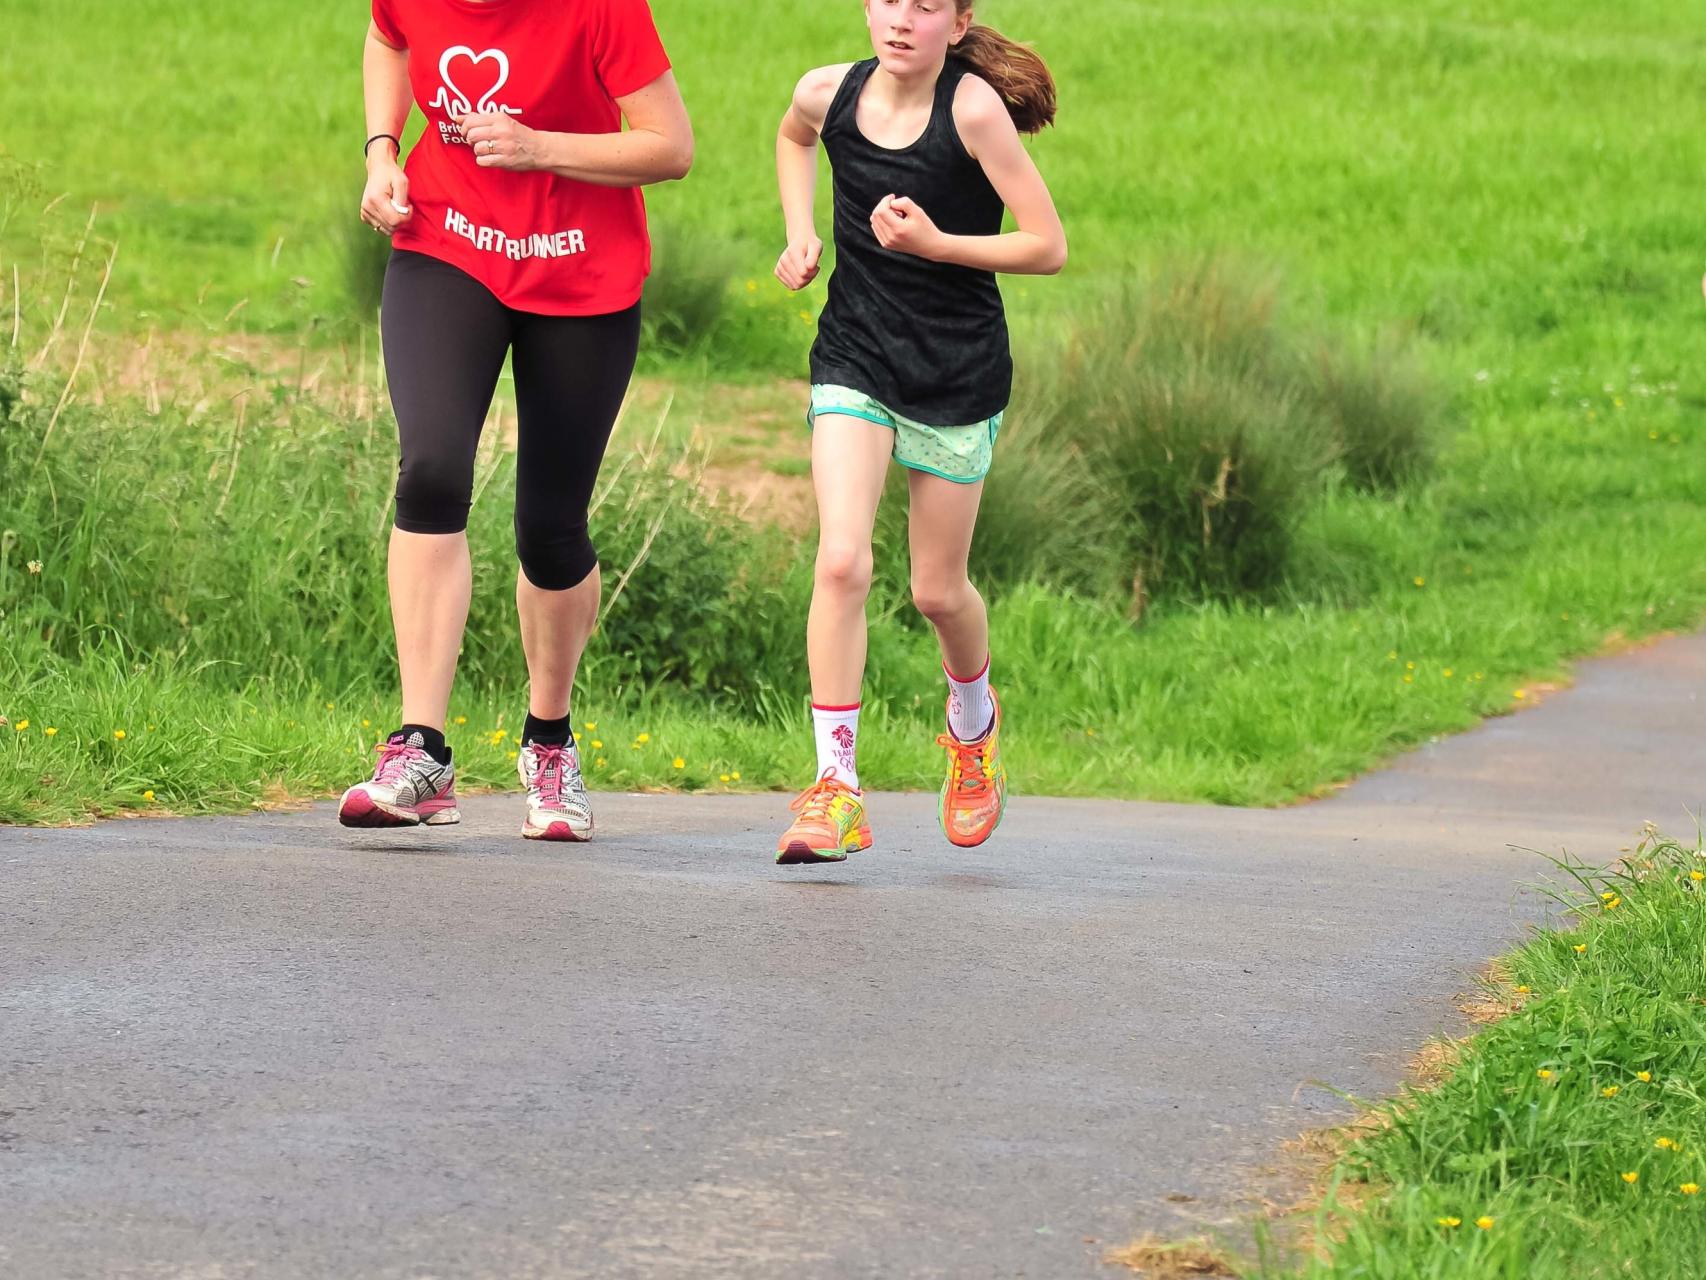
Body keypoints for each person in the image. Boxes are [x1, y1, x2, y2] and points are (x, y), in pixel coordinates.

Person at [338, 0, 693, 841]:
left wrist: (540, 149)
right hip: (447, 242)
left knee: (550, 526)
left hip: (583, 273)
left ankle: (549, 740)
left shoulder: (600, 9)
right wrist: (383, 151)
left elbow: (671, 147)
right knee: (430, 471)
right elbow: (388, 39)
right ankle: (421, 749)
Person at [771, 0, 1066, 864]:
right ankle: (836, 790)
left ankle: (973, 726)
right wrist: (799, 234)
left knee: (939, 591)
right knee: (841, 559)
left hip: (955, 370)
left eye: (927, 5)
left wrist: (939, 244)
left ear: (960, 21)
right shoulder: (827, 94)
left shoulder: (972, 111)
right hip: (856, 356)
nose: (902, 19)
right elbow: (792, 139)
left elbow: (1047, 245)